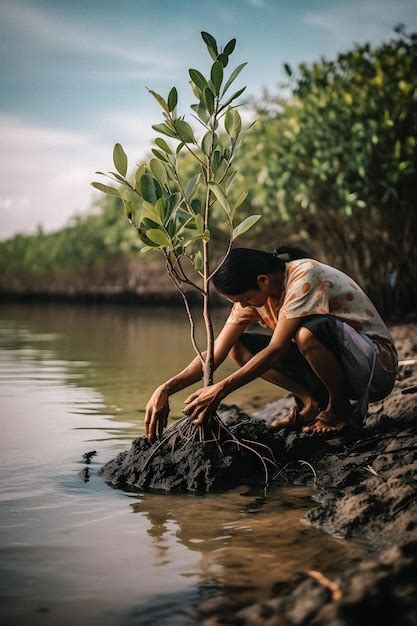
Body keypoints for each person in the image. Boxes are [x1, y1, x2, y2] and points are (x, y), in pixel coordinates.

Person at [144, 246, 398, 442]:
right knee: (238, 346)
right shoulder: (256, 297)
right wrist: (166, 388)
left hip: (374, 369)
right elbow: (213, 355)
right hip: (339, 366)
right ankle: (311, 403)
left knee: (305, 335)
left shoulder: (304, 276)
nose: (241, 306)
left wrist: (220, 390)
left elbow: (276, 351)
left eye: (244, 299)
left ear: (262, 280)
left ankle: (339, 409)